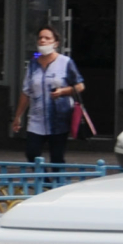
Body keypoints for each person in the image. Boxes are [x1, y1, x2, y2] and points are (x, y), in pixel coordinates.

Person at [10, 27, 85, 164]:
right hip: (36, 119)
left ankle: (58, 184)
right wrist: (18, 116)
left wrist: (63, 91)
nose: (43, 40)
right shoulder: (33, 63)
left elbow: (80, 86)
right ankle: (47, 184)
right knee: (32, 153)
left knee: (57, 158)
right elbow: (26, 91)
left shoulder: (65, 62)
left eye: (47, 38)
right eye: (40, 38)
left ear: (55, 43)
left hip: (59, 119)